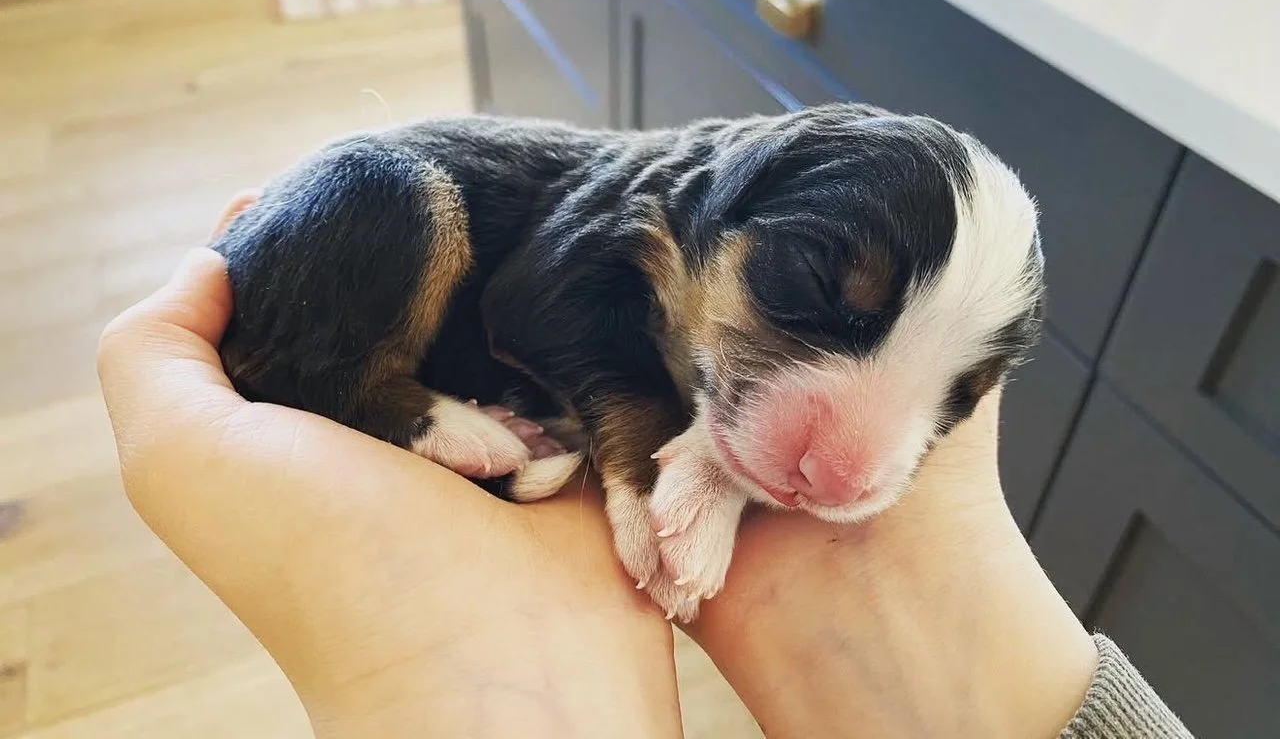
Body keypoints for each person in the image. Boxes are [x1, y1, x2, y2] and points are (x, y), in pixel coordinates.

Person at [96, 194, 1191, 738]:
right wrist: (630, 467)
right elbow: (544, 307)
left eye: (951, 393)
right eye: (803, 304)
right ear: (728, 201)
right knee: (390, 206)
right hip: (392, 236)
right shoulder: (630, 232)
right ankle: (379, 397)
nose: (844, 465)